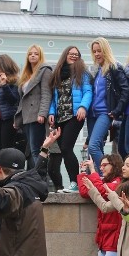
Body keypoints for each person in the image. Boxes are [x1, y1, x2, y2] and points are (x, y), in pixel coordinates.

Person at [48, 46, 92, 192]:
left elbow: (87, 92)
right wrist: (52, 113)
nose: (73, 56)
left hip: (75, 115)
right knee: (64, 150)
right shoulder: (58, 74)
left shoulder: (82, 73)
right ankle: (74, 183)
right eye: (70, 53)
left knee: (67, 147)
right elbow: (55, 98)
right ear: (65, 55)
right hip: (61, 117)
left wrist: (83, 107)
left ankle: (75, 182)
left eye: (76, 54)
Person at [87, 37, 129, 172]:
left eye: (99, 51)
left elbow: (125, 89)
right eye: (94, 51)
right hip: (92, 114)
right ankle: (95, 178)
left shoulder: (114, 67)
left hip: (105, 112)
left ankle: (107, 174)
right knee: (95, 147)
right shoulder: (97, 70)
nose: (97, 54)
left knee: (93, 146)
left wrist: (117, 110)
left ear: (106, 50)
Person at [16, 45, 53, 166]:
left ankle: (40, 177)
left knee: (36, 149)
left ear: (40, 56)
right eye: (30, 53)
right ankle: (37, 177)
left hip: (37, 115)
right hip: (27, 116)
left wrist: (42, 113)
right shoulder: (26, 75)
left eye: (36, 54)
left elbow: (46, 93)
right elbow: (23, 99)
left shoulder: (45, 70)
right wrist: (18, 118)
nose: (32, 55)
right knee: (32, 150)